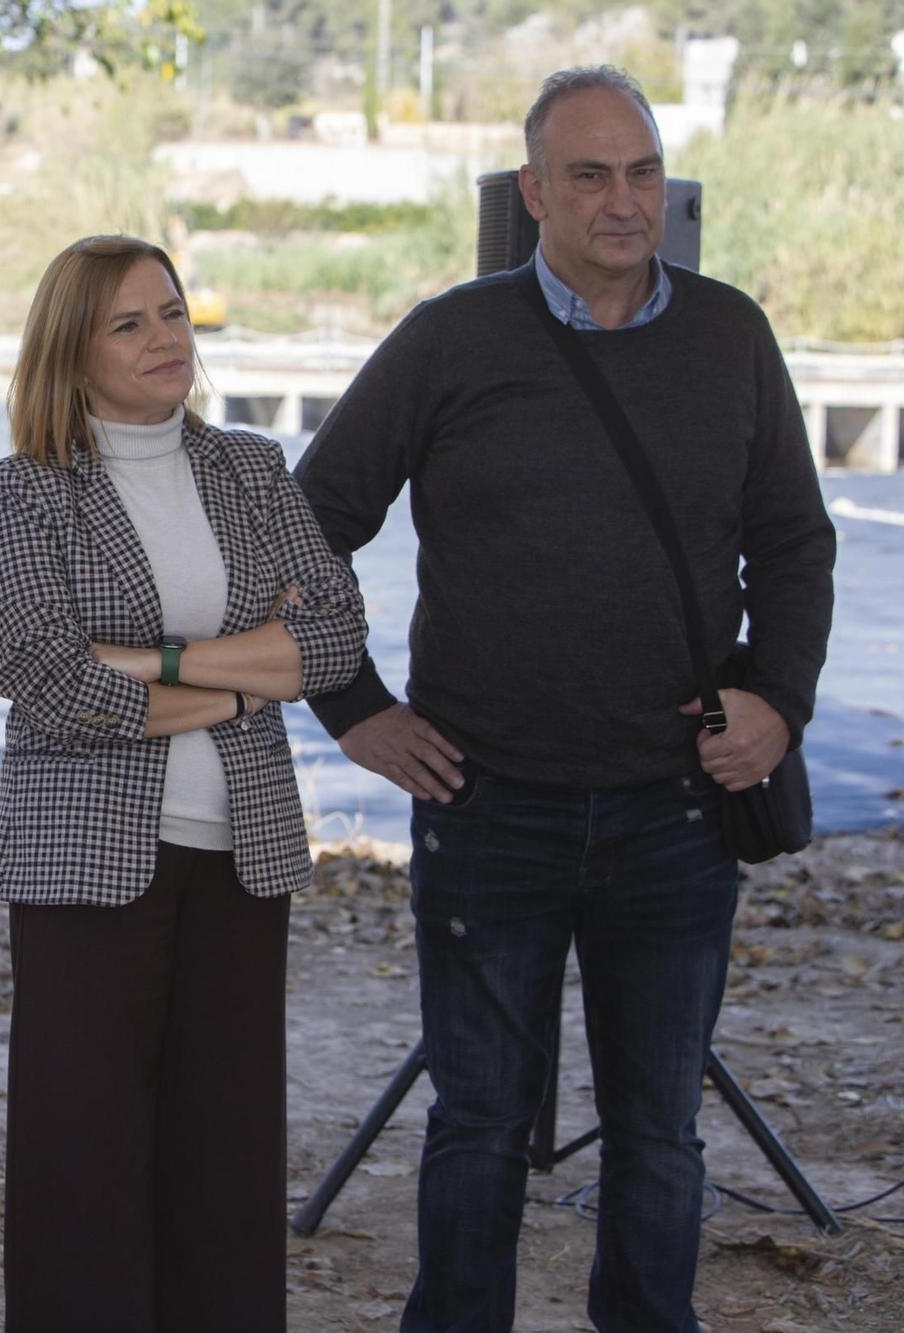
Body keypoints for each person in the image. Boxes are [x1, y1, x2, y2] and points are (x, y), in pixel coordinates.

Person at [293, 66, 837, 1333]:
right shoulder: (451, 336)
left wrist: (780, 702)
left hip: (676, 808)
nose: (621, 200)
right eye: (587, 175)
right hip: (486, 802)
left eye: (642, 173)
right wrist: (351, 705)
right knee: (478, 1120)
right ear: (530, 192)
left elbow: (795, 546)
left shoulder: (728, 335)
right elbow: (304, 524)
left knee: (657, 1130)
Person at [0, 234, 369, 1333]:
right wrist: (247, 674)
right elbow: (44, 678)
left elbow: (331, 642)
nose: (165, 340)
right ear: (71, 348)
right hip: (81, 865)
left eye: (174, 313)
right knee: (80, 1157)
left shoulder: (250, 467)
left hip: (243, 850)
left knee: (226, 1150)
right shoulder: (22, 492)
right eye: (129, 323)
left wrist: (156, 663)